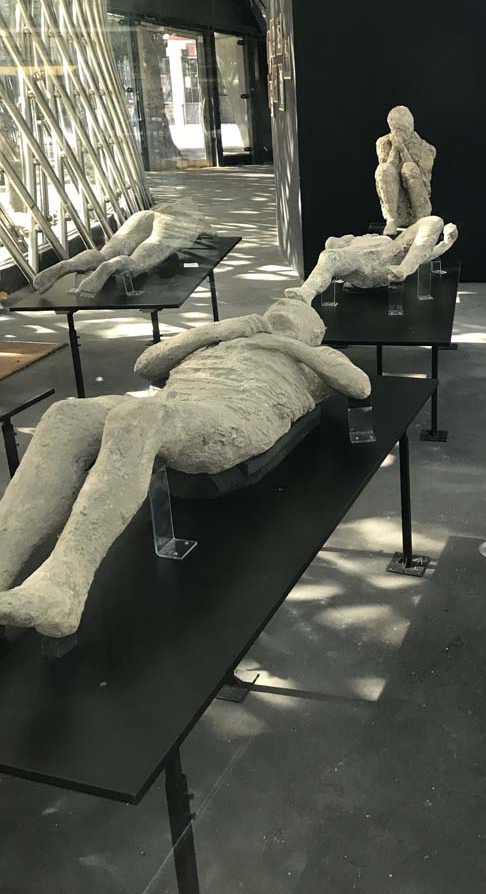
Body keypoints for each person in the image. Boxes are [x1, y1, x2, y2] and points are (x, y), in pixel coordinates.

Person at [0, 298, 369, 638]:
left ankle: (62, 584)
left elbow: (360, 386)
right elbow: (146, 366)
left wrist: (292, 348)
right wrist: (216, 332)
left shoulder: (314, 356)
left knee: (138, 417)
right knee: (68, 416)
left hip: (234, 416)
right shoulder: (222, 342)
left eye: (296, 312)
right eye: (279, 305)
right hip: (178, 402)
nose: (284, 308)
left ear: (314, 331)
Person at [32, 197, 208, 296]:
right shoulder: (190, 216)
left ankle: (69, 264)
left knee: (103, 253)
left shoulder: (160, 207)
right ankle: (113, 266)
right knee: (136, 262)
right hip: (172, 225)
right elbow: (208, 232)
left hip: (142, 216)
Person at [284, 216, 458, 304]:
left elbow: (423, 253)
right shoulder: (347, 243)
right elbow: (331, 251)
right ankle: (306, 292)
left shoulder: (386, 241)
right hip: (358, 264)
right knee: (329, 256)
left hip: (388, 260)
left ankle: (404, 270)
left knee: (434, 221)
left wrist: (447, 242)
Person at [374, 106, 436, 235]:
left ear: (410, 127)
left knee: (409, 168)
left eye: (402, 129)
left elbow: (421, 176)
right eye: (396, 129)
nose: (399, 133)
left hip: (419, 200)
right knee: (383, 170)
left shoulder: (425, 148)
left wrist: (403, 149)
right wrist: (395, 148)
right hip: (397, 203)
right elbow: (387, 170)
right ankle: (392, 219)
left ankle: (419, 219)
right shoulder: (384, 142)